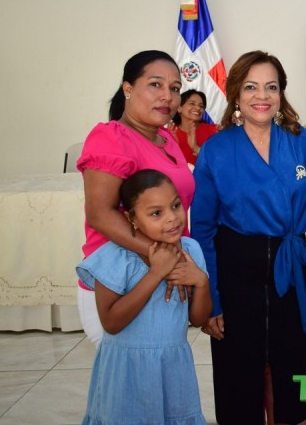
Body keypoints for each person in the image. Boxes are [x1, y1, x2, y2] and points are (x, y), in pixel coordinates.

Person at [191, 50, 306, 425]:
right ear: (236, 94)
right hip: (234, 270)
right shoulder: (216, 149)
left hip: (290, 265)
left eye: (271, 87)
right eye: (251, 87)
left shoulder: (303, 142)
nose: (262, 96)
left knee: (289, 368)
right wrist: (211, 298)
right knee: (238, 373)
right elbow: (202, 230)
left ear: (281, 93)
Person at [76, 50, 195, 347]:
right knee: (128, 370)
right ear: (128, 88)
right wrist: (163, 256)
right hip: (121, 281)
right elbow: (100, 214)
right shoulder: (111, 137)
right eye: (155, 84)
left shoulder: (167, 138)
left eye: (175, 88)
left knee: (161, 368)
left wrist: (175, 262)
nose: (167, 96)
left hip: (166, 272)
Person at [77, 169, 211, 425]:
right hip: (126, 372)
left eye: (175, 205)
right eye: (156, 213)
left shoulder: (191, 250)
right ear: (132, 219)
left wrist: (201, 282)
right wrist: (156, 273)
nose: (172, 218)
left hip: (173, 368)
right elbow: (111, 323)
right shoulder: (115, 257)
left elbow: (198, 319)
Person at [170, 89, 219, 166]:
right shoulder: (170, 133)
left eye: (201, 106)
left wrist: (195, 148)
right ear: (179, 108)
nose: (198, 108)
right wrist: (172, 146)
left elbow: (220, 162)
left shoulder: (214, 131)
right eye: (192, 103)